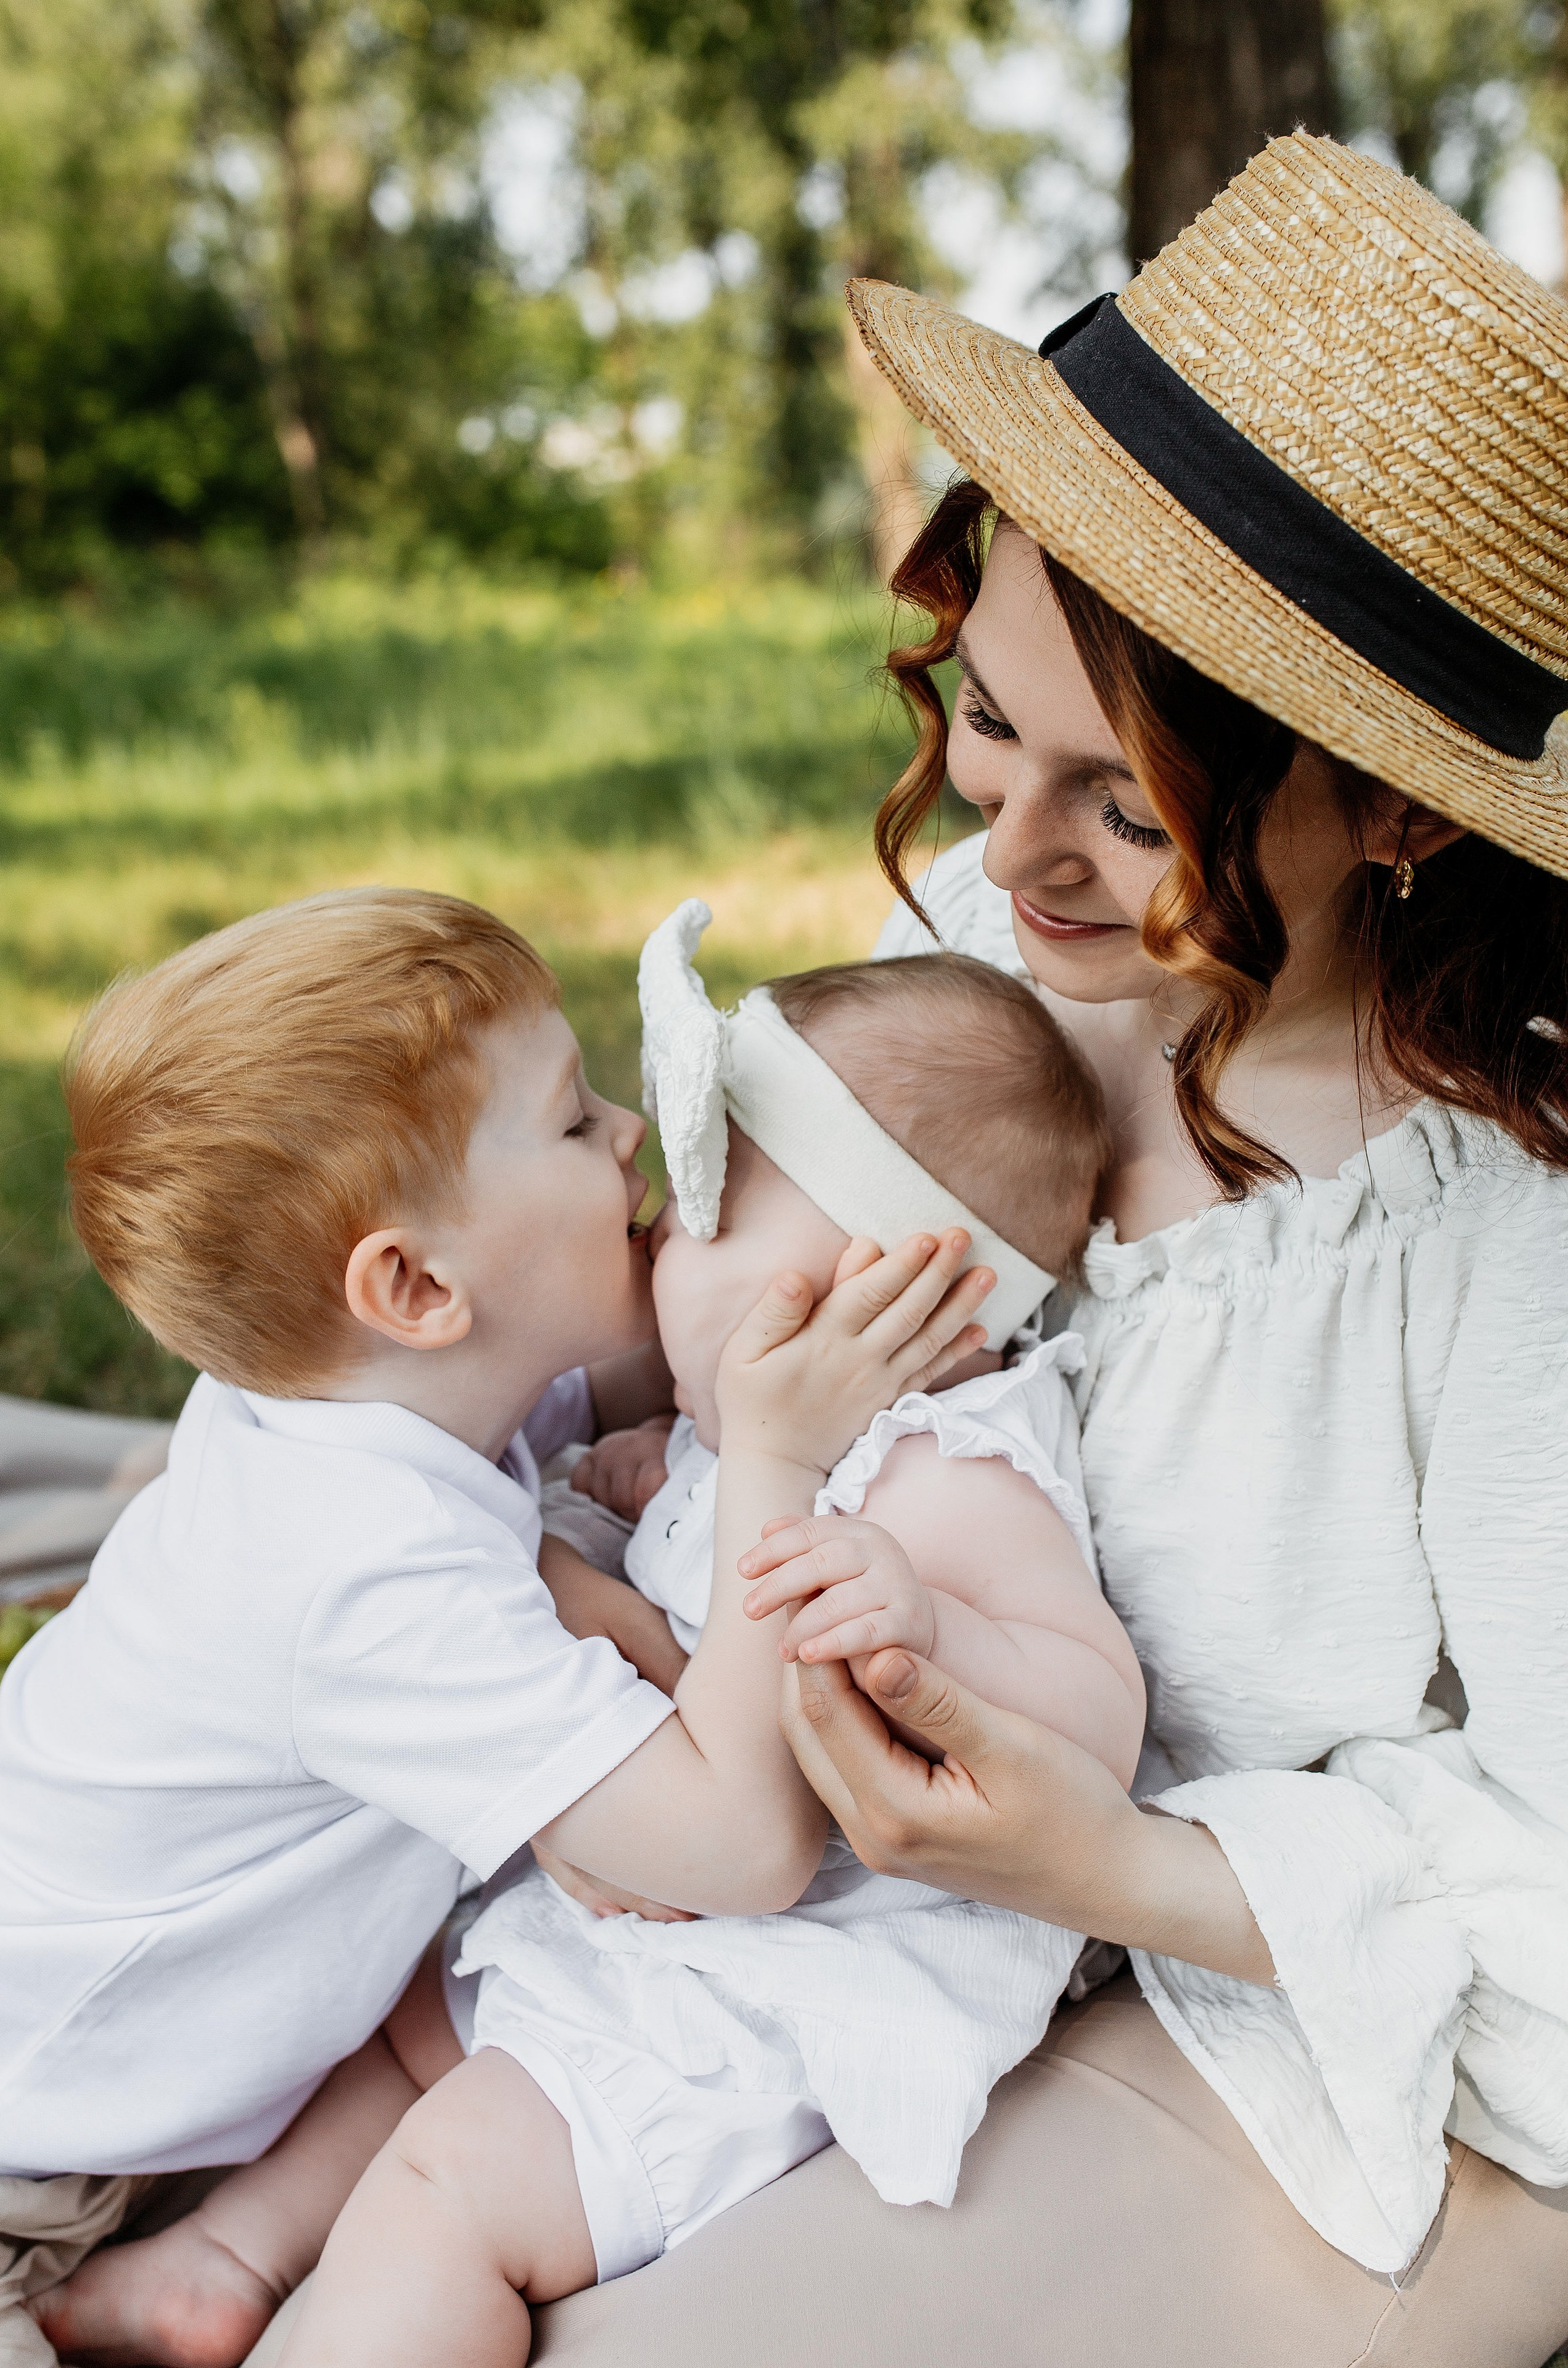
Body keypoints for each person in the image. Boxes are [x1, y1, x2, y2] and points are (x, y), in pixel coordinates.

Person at [501, 131, 1568, 2368]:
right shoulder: (990, 958)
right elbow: (711, 1304)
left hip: (1305, 2031)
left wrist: (1094, 1867)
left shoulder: (1499, 1228)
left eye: (1129, 806)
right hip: (840, 1899)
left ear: (1398, 810)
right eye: (988, 723)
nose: (1004, 849)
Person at [0, 886, 988, 2368]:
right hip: (29, 2149)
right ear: (411, 1285)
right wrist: (771, 1465)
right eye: (573, 1122)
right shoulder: (358, 1578)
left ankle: (208, 2270)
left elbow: (591, 1391)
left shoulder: (356, 1397)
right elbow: (739, 1851)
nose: (628, 1132)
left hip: (123, 2086)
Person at [250, 914, 1141, 2368]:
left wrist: (936, 1629)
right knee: (395, 2021)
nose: (661, 1220)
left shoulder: (942, 1471)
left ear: (892, 1290)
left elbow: (1098, 1722)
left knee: (449, 2183)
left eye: (713, 1205)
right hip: (641, 1924)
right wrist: (646, 1482)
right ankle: (235, 2249)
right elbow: (699, 1555)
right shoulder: (745, 1432)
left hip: (774, 1989)